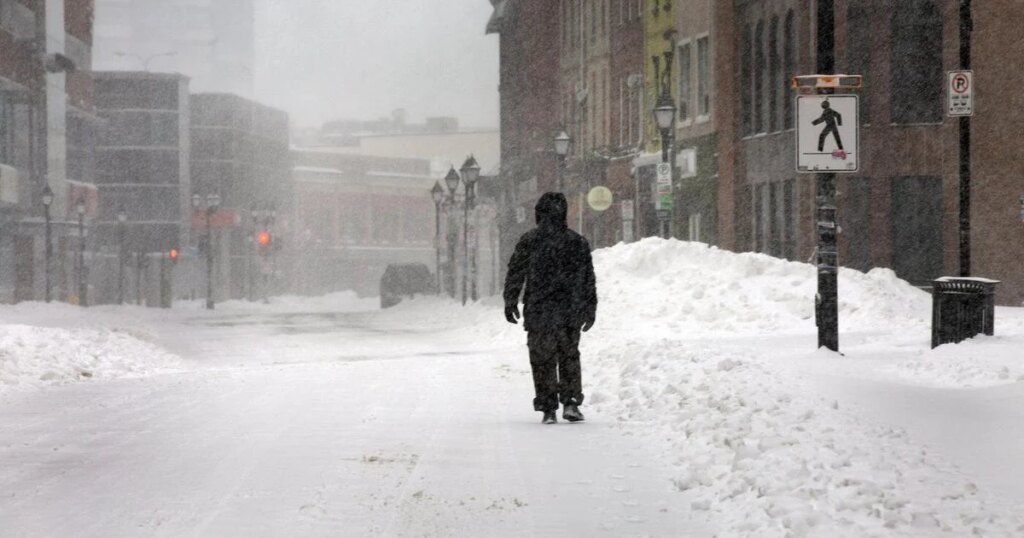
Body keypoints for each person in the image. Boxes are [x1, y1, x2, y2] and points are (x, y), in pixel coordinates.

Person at [503, 192, 597, 424]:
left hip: (539, 309)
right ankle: (571, 402)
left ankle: (548, 407)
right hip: (570, 309)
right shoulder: (577, 242)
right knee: (569, 356)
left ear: (539, 214)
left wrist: (511, 300)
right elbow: (588, 279)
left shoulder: (530, 241)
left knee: (542, 359)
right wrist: (589, 308)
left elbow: (516, 272)